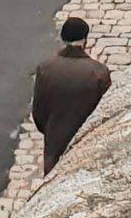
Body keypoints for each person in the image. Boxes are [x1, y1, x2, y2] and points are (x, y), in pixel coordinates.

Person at [31, 16, 113, 176]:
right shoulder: (99, 72)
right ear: (85, 40)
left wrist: (51, 130)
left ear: (63, 38)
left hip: (55, 140)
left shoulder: (45, 68)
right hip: (87, 142)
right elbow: (105, 112)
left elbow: (39, 111)